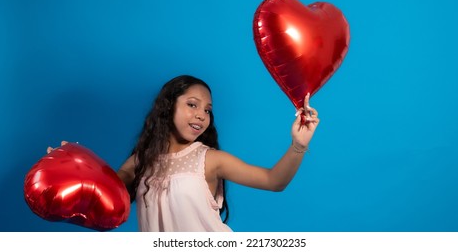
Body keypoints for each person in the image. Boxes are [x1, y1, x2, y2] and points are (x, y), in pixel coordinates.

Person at [49, 75, 319, 232]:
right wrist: (69, 165)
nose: (201, 115)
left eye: (207, 110)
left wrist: (299, 144)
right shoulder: (140, 162)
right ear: (168, 108)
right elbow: (102, 194)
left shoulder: (211, 159)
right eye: (192, 104)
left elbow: (274, 181)